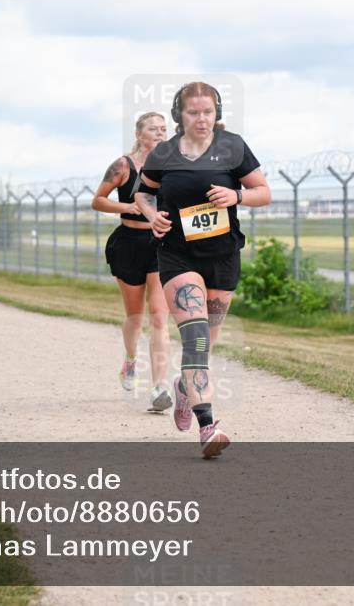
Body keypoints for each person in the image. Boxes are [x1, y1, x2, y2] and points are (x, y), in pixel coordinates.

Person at [135, 82, 271, 458]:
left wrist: (237, 196)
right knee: (195, 340)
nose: (201, 118)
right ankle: (208, 425)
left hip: (223, 257)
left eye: (208, 111)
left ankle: (184, 387)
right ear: (180, 115)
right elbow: (142, 192)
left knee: (205, 345)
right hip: (178, 256)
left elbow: (263, 191)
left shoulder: (232, 147)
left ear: (217, 112)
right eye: (193, 112)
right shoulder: (163, 153)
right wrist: (152, 215)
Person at [93, 111, 173, 412]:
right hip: (128, 243)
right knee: (135, 317)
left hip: (160, 245)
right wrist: (130, 205)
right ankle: (129, 360)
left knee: (159, 316)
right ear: (139, 134)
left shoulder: (172, 166)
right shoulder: (123, 165)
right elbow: (98, 200)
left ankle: (159, 388)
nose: (160, 133)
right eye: (154, 129)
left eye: (164, 129)